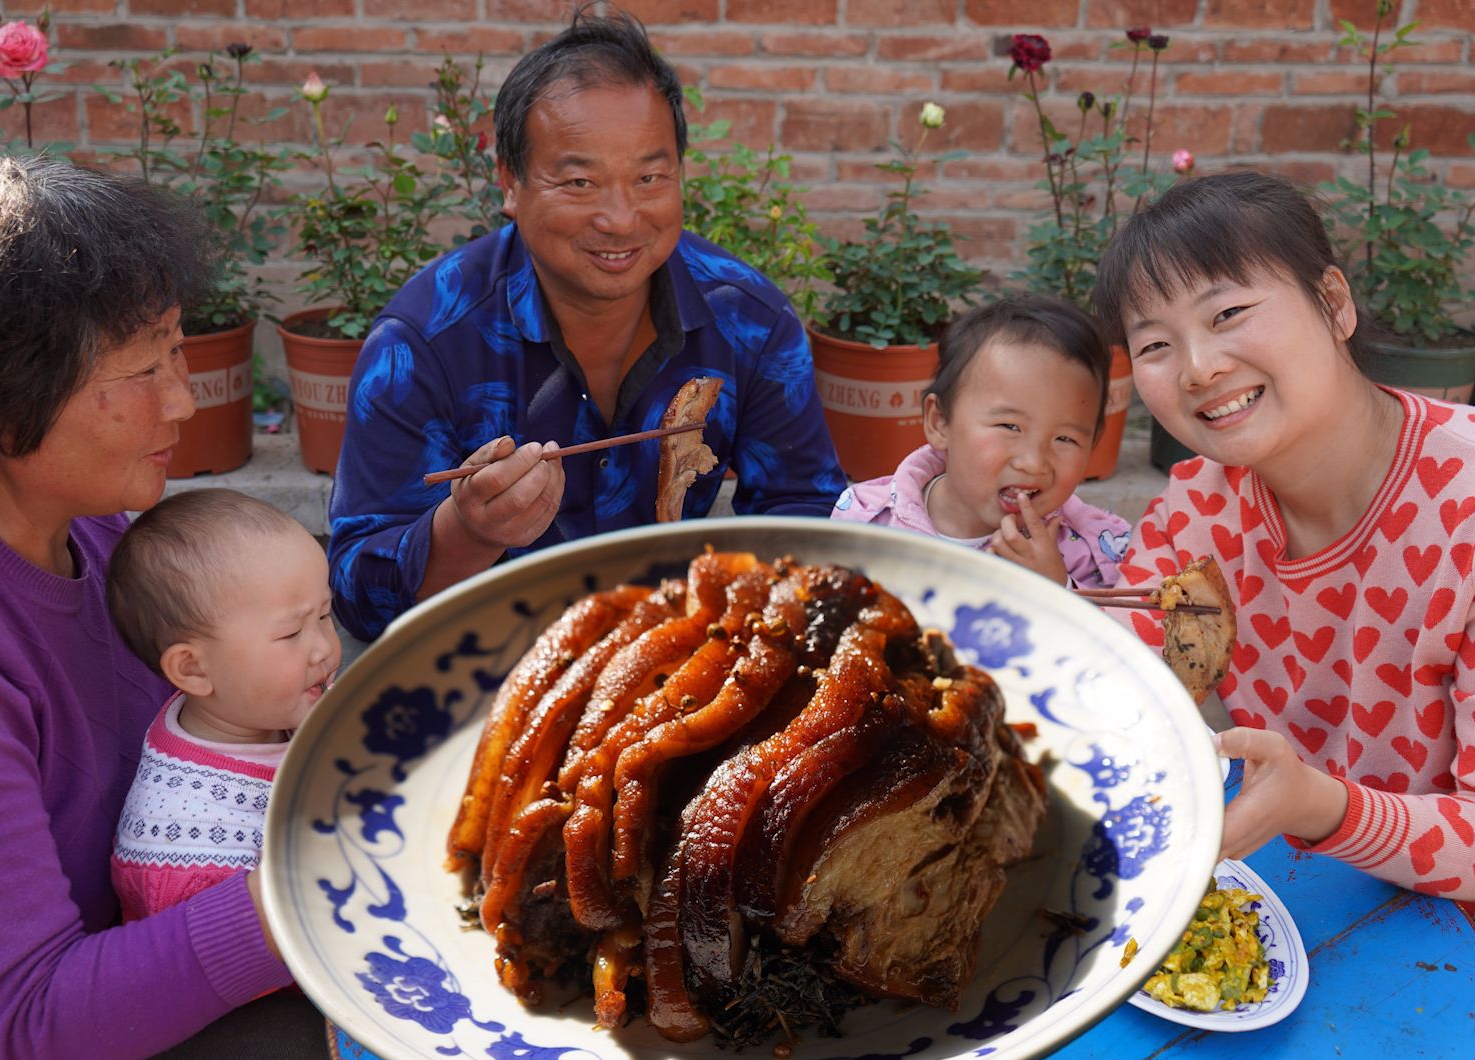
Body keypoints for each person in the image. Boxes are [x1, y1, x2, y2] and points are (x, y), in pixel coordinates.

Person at [0, 155, 328, 1060]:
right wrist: (323, 883)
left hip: (109, 945)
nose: (180, 397)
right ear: (0, 406)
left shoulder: (73, 515)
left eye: (177, 350)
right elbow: (37, 1019)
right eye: (143, 367)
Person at [1096, 170, 1475, 981]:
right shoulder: (1202, 506)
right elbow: (1124, 656)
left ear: (1333, 303)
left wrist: (1322, 805)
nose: (1196, 368)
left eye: (1227, 315)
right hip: (1301, 884)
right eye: (1155, 344)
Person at [327, 7, 847, 643]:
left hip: (683, 660)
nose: (622, 218)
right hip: (488, 668)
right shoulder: (424, 343)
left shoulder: (750, 322)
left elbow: (807, 517)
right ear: (510, 183)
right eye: (580, 181)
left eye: (650, 177)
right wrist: (467, 535)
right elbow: (355, 592)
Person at [107, 490, 341, 922]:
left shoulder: (269, 703)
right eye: (291, 634)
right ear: (193, 669)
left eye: (325, 615)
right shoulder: (190, 858)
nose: (323, 649)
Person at [831, 293, 1132, 588]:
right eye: (1010, 426)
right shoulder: (867, 522)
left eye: (1064, 438)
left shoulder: (1092, 549)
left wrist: (1058, 587)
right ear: (940, 422)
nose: (1033, 462)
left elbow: (1116, 633)